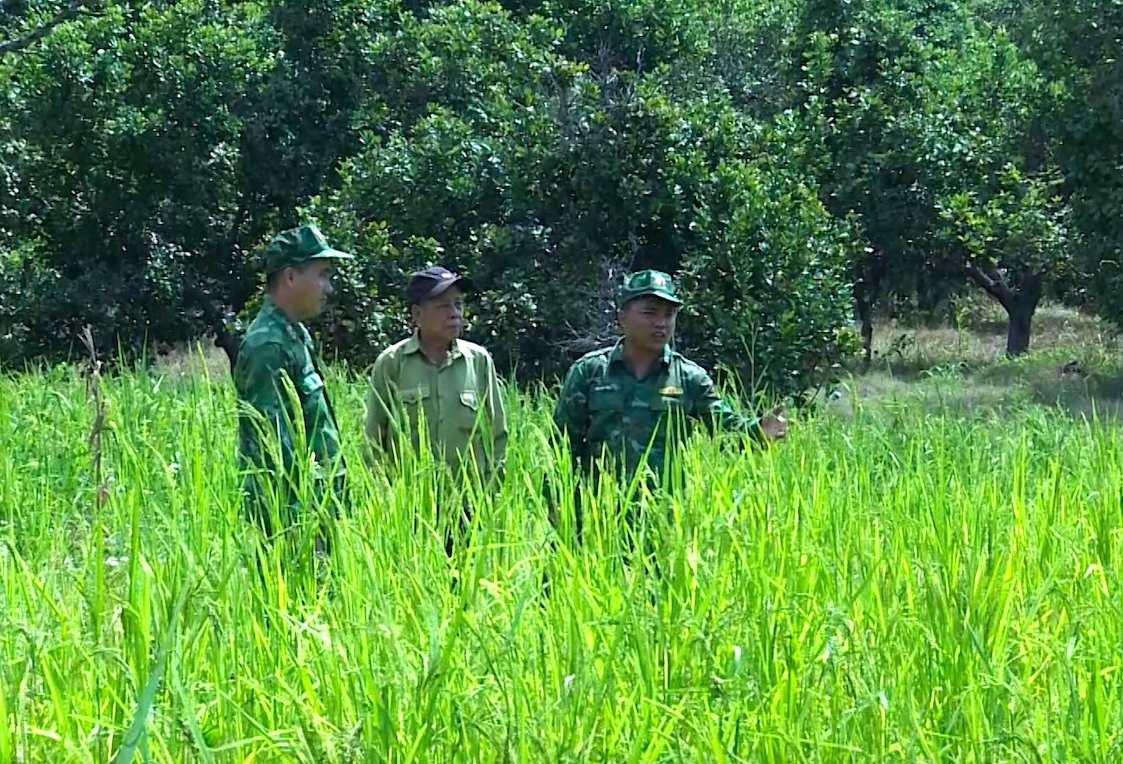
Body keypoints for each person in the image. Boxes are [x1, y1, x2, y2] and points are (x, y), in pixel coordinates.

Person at [549, 269, 788, 542]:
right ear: (622, 318)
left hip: (661, 521)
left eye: (669, 314)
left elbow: (725, 427)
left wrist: (758, 430)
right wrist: (557, 504)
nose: (661, 323)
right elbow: (561, 446)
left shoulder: (689, 378)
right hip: (596, 519)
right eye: (650, 313)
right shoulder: (590, 372)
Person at [364, 266, 507, 557]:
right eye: (443, 306)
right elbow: (375, 439)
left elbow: (497, 434)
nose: (454, 313)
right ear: (416, 315)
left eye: (458, 304)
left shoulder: (478, 361)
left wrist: (490, 496)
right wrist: (384, 500)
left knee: (464, 592)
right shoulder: (392, 363)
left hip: (468, 508)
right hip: (410, 509)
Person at [233, 223, 353, 563]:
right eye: (322, 275)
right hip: (294, 524)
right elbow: (273, 448)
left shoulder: (294, 334)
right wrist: (301, 526)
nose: (328, 288)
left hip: (317, 508)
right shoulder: (267, 344)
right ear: (290, 277)